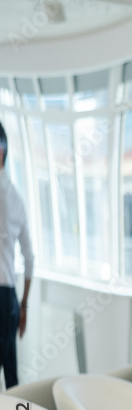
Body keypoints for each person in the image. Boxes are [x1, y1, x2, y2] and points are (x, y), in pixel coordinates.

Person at [0, 119, 33, 390]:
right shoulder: (17, 199)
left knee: (10, 375)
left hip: (4, 297)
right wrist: (24, 306)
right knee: (10, 374)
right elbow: (30, 258)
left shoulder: (9, 196)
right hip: (8, 299)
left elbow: (30, 258)